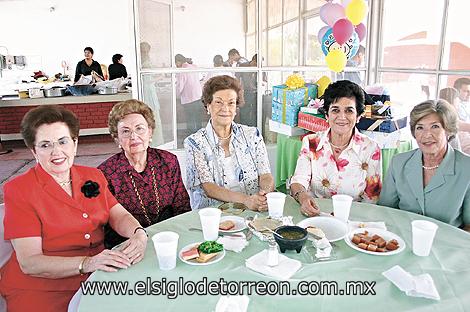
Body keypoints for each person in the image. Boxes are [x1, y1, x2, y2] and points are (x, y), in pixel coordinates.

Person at [0, 105, 148, 311]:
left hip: (98, 277)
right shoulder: (19, 190)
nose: (56, 152)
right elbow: (30, 262)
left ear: (75, 144)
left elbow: (118, 214)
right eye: (45, 145)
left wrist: (139, 234)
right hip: (42, 289)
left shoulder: (92, 177)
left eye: (63, 141)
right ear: (34, 151)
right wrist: (87, 263)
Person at [98, 100, 190, 248]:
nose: (134, 136)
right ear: (117, 138)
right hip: (128, 243)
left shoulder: (168, 161)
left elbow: (182, 206)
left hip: (169, 238)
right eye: (126, 131)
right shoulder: (106, 173)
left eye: (139, 128)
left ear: (150, 132)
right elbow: (107, 224)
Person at [290, 80, 382, 217]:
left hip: (353, 219)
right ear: (327, 115)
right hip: (315, 215)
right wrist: (303, 198)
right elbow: (298, 181)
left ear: (358, 116)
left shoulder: (371, 148)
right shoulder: (311, 142)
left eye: (349, 110)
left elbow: (372, 199)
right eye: (335, 110)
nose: (342, 117)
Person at [184, 75, 274, 211]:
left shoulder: (252, 135)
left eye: (231, 103)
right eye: (219, 102)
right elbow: (209, 188)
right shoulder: (194, 143)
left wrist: (264, 195)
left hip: (252, 211)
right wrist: (246, 200)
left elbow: (266, 175)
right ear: (208, 106)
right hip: (213, 215)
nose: (225, 108)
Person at [378, 100, 470, 231]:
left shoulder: (467, 169)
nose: (427, 135)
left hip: (447, 246)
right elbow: (385, 211)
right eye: (420, 127)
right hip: (401, 241)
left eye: (435, 126)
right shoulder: (398, 163)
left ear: (448, 130)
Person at [175, 54, 204, 135]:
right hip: (198, 96)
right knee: (198, 117)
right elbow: (200, 78)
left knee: (190, 117)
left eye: (176, 63)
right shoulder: (194, 66)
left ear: (178, 62)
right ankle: (200, 135)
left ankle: (191, 136)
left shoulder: (183, 70)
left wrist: (175, 94)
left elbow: (180, 86)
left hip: (189, 97)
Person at [439, 87, 470, 153]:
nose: (458, 104)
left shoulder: (452, 114)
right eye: (457, 99)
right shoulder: (447, 117)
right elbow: (461, 125)